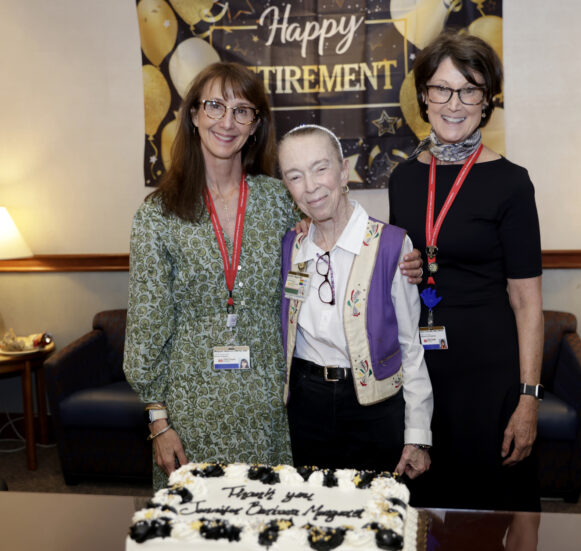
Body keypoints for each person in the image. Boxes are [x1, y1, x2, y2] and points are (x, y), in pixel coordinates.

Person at [124, 63, 424, 489]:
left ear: (255, 126)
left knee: (277, 522)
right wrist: (158, 421)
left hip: (272, 406)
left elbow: (335, 226)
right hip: (192, 408)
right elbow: (146, 328)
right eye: (214, 106)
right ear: (192, 115)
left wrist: (399, 258)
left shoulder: (278, 199)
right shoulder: (158, 215)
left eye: (242, 111)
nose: (227, 122)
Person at [388, 32, 544, 511]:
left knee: (491, 507)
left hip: (488, 374)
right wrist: (404, 266)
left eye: (469, 89)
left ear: (486, 100)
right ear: (423, 98)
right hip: (422, 374)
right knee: (423, 511)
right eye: (441, 89)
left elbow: (527, 303)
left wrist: (528, 398)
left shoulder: (512, 183)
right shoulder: (405, 176)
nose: (454, 103)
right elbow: (418, 265)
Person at [278, 124, 433, 478]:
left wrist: (418, 435)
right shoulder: (292, 246)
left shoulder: (393, 246)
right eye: (295, 176)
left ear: (344, 170)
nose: (311, 186)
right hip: (305, 406)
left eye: (321, 168)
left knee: (374, 520)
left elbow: (411, 348)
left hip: (375, 410)